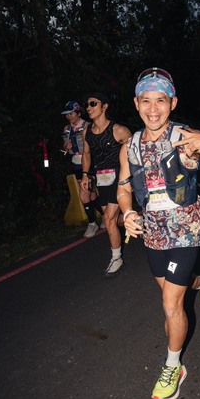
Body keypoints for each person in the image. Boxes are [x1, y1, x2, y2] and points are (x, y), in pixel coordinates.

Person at [117, 68, 200, 399]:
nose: (153, 108)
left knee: (170, 303)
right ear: (136, 103)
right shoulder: (130, 146)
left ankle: (173, 367)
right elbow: (124, 189)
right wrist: (128, 213)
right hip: (153, 233)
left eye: (161, 100)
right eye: (146, 100)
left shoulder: (187, 137)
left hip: (186, 230)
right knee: (175, 288)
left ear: (172, 102)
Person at [81, 91, 131, 277]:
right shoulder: (87, 132)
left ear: (104, 106)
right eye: (87, 104)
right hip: (102, 180)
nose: (88, 108)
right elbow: (86, 154)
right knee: (112, 220)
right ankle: (138, 221)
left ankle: (116, 258)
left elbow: (135, 154)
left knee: (109, 219)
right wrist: (85, 175)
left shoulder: (119, 130)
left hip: (120, 179)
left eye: (93, 104)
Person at [61, 100, 103, 237]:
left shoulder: (88, 126)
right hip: (76, 164)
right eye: (67, 114)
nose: (69, 117)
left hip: (89, 163)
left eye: (71, 113)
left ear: (79, 113)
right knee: (91, 194)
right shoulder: (66, 129)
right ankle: (106, 216)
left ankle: (92, 223)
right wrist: (65, 147)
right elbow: (65, 148)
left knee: (84, 195)